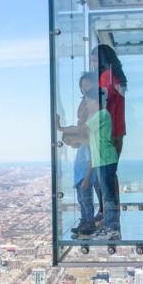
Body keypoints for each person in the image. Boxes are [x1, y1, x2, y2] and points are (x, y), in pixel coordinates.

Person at [60, 87, 120, 240]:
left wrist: (60, 128)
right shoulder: (99, 116)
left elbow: (81, 129)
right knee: (106, 196)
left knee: (108, 196)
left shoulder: (101, 115)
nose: (87, 105)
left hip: (106, 159)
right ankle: (109, 227)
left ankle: (112, 228)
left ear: (96, 101)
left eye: (88, 101)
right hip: (103, 160)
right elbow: (87, 139)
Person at [57, 73, 98, 237]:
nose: (85, 88)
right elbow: (82, 131)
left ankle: (88, 223)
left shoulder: (96, 113)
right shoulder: (87, 107)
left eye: (88, 85)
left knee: (86, 197)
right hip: (84, 155)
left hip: (89, 155)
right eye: (83, 86)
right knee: (82, 198)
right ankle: (84, 221)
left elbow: (84, 130)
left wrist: (62, 129)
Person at [91, 44, 127, 222]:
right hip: (118, 132)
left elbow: (100, 105)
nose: (93, 65)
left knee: (103, 178)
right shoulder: (117, 78)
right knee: (109, 175)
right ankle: (111, 213)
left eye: (95, 60)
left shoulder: (106, 77)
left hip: (107, 133)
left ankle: (108, 216)